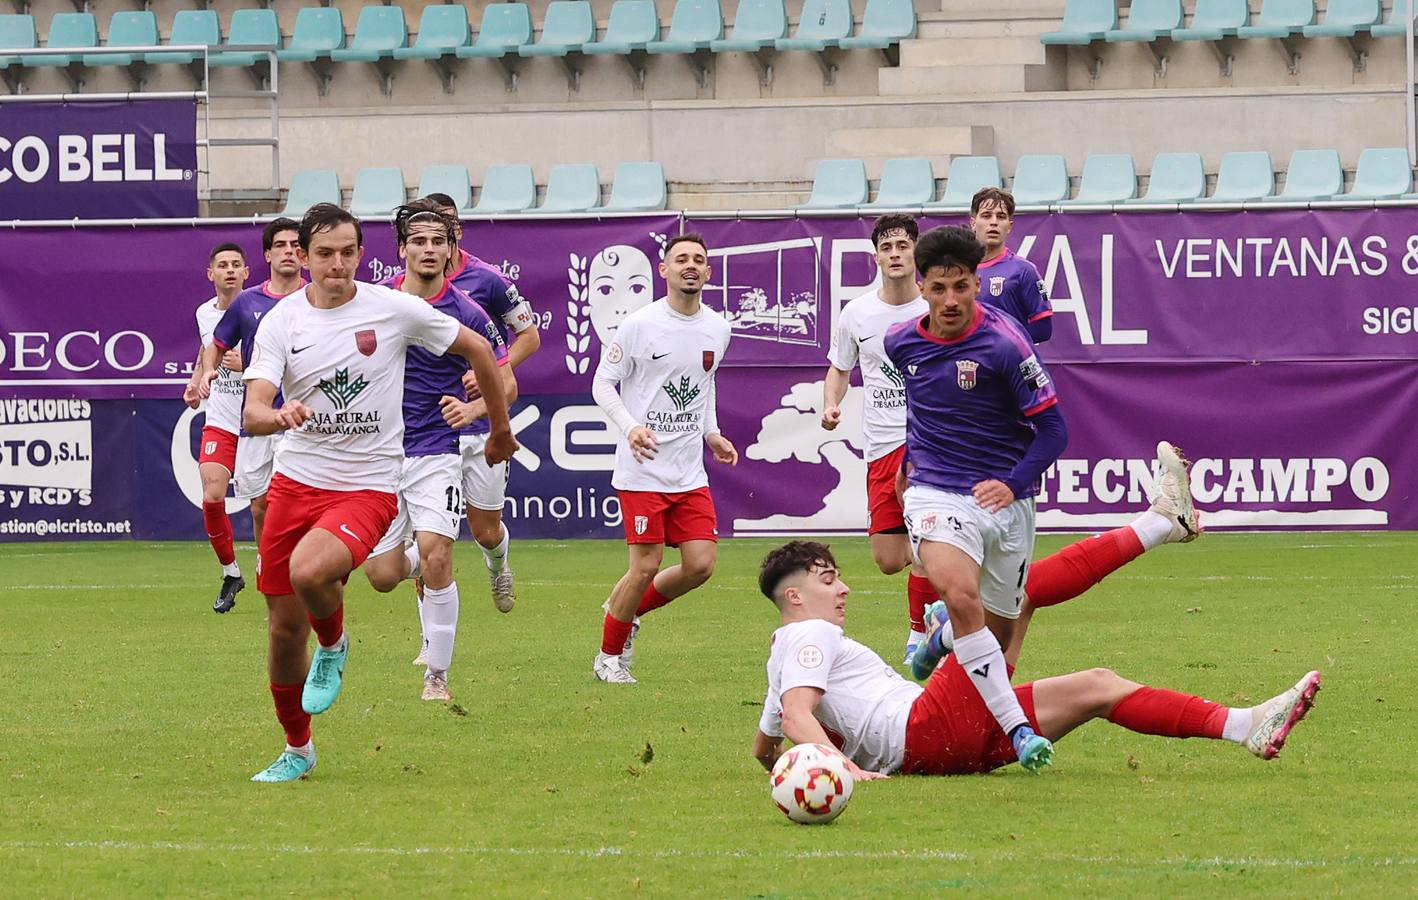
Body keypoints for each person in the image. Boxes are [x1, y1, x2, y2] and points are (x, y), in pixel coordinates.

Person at [239, 204, 517, 782]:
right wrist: (275, 413)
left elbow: (482, 351)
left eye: (347, 252)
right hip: (295, 484)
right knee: (283, 629)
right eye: (323, 253)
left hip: (368, 484)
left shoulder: (392, 308)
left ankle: (336, 645)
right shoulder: (281, 321)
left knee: (312, 573)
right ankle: (298, 749)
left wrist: (498, 428)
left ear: (362, 256)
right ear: (305, 257)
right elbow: (255, 406)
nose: (336, 264)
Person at [750, 540, 1320, 780]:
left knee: (1098, 685)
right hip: (924, 728)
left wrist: (802, 765)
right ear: (794, 597)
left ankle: (1244, 726)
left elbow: (765, 746)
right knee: (1010, 596)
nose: (843, 589)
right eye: (829, 580)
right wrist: (844, 769)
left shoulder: (787, 657)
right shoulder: (813, 635)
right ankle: (1157, 525)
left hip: (937, 748)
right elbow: (800, 717)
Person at [883, 225, 1067, 770]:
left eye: (961, 287)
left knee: (1000, 629)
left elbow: (1055, 431)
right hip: (936, 490)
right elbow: (923, 408)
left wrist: (1012, 482)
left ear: (976, 283)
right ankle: (1017, 731)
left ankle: (942, 635)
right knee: (962, 596)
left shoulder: (1008, 342)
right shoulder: (900, 342)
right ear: (921, 285)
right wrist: (907, 467)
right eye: (938, 289)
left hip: (1004, 498)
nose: (950, 301)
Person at [362, 203, 515, 702]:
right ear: (402, 249)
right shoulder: (374, 301)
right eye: (418, 241)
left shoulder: (468, 313)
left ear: (451, 248)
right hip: (380, 454)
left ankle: (437, 676)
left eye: (438, 242)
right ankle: (423, 566)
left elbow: (503, 377)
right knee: (382, 576)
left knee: (439, 553)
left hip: (436, 451)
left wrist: (484, 418)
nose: (428, 250)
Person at [590, 233, 737, 684]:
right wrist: (631, 427)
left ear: (709, 272)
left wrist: (711, 432)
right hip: (642, 471)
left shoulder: (718, 327)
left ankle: (625, 610)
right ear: (664, 270)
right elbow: (602, 383)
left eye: (699, 259)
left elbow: (705, 383)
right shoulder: (639, 325)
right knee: (646, 566)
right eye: (681, 260)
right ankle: (609, 658)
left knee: (700, 565)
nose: (690, 265)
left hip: (689, 470)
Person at [822, 215, 933, 662]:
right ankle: (949, 559)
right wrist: (831, 403)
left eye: (902, 246)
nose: (894, 254)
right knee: (889, 559)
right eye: (886, 248)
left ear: (915, 253)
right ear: (876, 257)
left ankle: (917, 634)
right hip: (881, 446)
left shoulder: (934, 306)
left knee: (927, 535)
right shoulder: (858, 313)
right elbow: (839, 368)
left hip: (929, 442)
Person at [424, 192, 541, 615]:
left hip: (478, 428)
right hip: (425, 429)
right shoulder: (401, 289)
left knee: (485, 530)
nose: (441, 232)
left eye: (448, 223)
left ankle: (498, 565)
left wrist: (488, 369)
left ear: (457, 229)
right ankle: (428, 640)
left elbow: (529, 337)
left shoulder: (488, 281)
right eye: (430, 224)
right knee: (430, 537)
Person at [196, 218, 308, 559]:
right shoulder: (248, 302)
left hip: (304, 419)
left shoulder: (317, 298)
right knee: (260, 506)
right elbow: (216, 342)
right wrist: (205, 373)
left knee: (301, 506)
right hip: (258, 420)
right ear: (268, 255)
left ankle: (304, 575)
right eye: (280, 245)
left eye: (294, 246)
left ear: (304, 255)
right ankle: (269, 566)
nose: (287, 251)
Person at [183, 243, 250, 613]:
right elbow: (204, 352)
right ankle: (230, 572)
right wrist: (197, 381)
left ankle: (276, 569)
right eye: (222, 265)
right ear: (211, 274)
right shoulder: (203, 314)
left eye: (235, 265)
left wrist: (249, 364)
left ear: (246, 272)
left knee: (267, 506)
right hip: (221, 419)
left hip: (260, 422)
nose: (228, 270)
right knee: (211, 494)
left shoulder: (262, 308)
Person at [969, 188, 1052, 344]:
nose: (993, 222)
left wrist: (1000, 342)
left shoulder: (1023, 270)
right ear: (973, 223)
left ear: (1009, 226)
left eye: (1001, 217)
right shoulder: (959, 270)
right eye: (986, 216)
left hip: (1008, 366)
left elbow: (1043, 329)